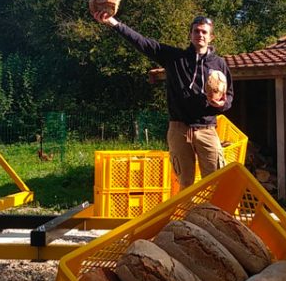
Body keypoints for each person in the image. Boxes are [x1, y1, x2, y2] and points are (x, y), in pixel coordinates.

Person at [93, 10, 233, 189]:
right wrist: (113, 22)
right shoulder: (175, 58)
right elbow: (143, 43)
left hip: (207, 129)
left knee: (215, 180)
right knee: (185, 183)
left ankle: (211, 217)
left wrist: (222, 104)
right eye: (196, 31)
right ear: (190, 34)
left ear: (211, 37)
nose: (200, 35)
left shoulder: (219, 64)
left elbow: (229, 96)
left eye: (204, 32)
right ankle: (186, 217)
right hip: (179, 130)